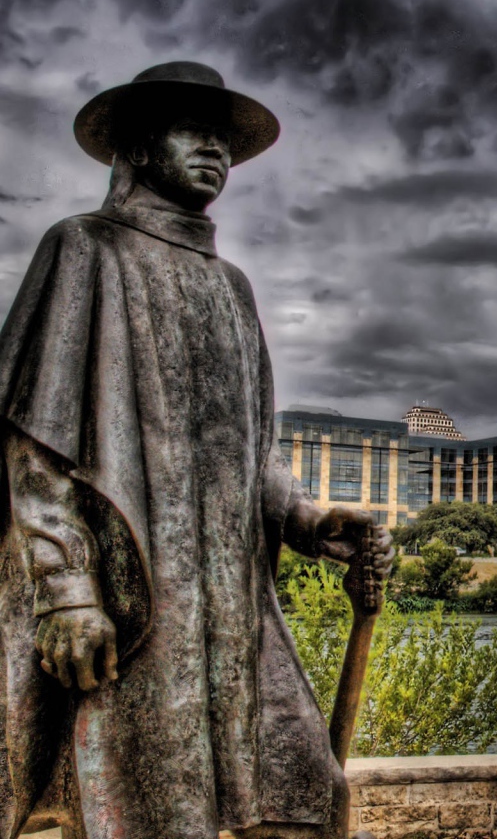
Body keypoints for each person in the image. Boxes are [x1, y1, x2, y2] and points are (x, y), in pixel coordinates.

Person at [0, 62, 393, 839]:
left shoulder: (232, 287)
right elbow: (33, 450)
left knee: (306, 793)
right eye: (193, 130)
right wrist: (67, 591)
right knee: (149, 811)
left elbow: (251, 454)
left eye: (224, 137)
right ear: (141, 148)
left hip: (235, 608)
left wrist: (312, 521)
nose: (215, 148)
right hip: (135, 599)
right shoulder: (83, 249)